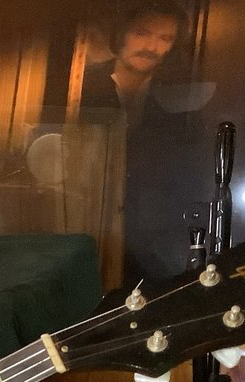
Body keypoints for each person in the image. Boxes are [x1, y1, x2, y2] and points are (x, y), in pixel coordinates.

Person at [79, 1, 208, 284]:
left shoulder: (180, 98)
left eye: (165, 38)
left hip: (155, 238)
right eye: (142, 33)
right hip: (89, 224)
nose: (152, 46)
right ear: (120, 34)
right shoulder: (80, 86)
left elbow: (191, 171)